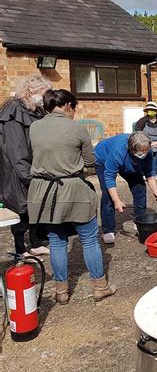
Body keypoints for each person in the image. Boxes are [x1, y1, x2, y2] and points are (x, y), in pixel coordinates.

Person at [27, 89, 115, 303]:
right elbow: (90, 162)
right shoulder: (78, 129)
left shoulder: (34, 127)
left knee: (56, 242)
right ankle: (99, 287)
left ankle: (61, 292)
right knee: (89, 239)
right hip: (74, 189)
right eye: (74, 108)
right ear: (68, 106)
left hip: (44, 192)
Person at [0, 74, 51, 258]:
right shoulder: (14, 111)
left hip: (33, 167)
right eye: (43, 94)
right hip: (17, 170)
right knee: (20, 209)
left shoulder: (35, 110)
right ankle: (20, 249)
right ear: (30, 92)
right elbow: (16, 148)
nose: (45, 98)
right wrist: (28, 177)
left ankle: (36, 243)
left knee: (34, 207)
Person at [94, 132, 157, 243]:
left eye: (145, 151)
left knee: (140, 189)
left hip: (129, 164)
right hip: (103, 159)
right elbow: (109, 177)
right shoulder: (118, 152)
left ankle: (140, 222)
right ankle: (108, 230)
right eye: (140, 152)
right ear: (131, 149)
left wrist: (155, 190)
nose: (143, 154)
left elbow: (149, 171)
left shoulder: (147, 151)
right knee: (108, 196)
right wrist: (117, 200)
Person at [135, 101, 157, 178]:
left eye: (153, 110)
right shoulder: (142, 120)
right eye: (149, 110)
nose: (151, 111)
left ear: (156, 111)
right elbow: (138, 134)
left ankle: (152, 173)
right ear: (146, 111)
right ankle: (148, 173)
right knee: (146, 152)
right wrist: (148, 143)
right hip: (145, 142)